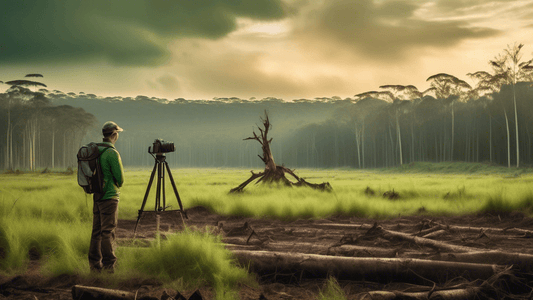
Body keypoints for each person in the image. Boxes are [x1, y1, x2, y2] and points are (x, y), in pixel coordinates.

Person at [88, 121, 124, 273]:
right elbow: (120, 179)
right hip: (109, 196)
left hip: (97, 196)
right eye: (117, 134)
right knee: (107, 232)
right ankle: (109, 266)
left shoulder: (95, 150)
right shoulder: (112, 153)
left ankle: (95, 266)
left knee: (96, 232)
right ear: (114, 135)